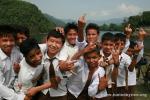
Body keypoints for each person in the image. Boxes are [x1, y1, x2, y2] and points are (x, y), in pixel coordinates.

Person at [27, 30, 67, 100]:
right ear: (46, 41)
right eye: (51, 41)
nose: (53, 45)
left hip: (60, 95)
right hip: (44, 93)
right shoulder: (40, 56)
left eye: (58, 42)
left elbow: (57, 80)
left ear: (62, 45)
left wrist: (36, 89)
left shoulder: (64, 60)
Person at [0, 25, 22, 91]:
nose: (9, 43)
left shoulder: (16, 52)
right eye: (5, 40)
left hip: (13, 89)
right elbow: (1, 88)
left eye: (11, 40)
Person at [114, 33, 132, 100]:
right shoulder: (109, 54)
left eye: (122, 44)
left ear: (124, 45)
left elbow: (127, 71)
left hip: (121, 85)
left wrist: (127, 84)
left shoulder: (126, 57)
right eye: (117, 44)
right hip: (110, 85)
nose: (119, 46)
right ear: (113, 43)